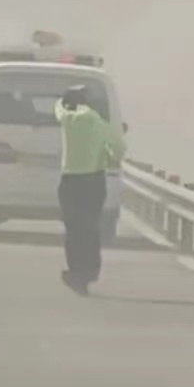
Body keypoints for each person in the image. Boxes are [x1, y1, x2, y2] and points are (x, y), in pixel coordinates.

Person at [53, 85, 126, 295]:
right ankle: (90, 272)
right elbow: (119, 148)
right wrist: (109, 156)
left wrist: (63, 99)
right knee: (91, 227)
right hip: (94, 181)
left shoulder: (67, 118)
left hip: (71, 182)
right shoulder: (99, 122)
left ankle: (77, 273)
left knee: (73, 229)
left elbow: (58, 109)